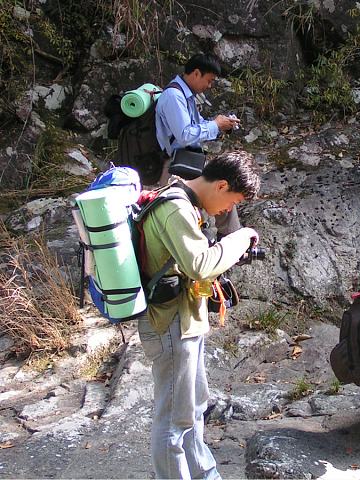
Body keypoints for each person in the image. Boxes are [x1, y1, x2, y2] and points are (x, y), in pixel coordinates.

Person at [137, 151, 261, 479]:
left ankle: (206, 475)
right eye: (232, 201)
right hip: (170, 326)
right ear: (221, 185)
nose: (228, 211)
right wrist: (240, 237)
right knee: (172, 421)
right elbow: (200, 265)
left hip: (185, 322)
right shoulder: (175, 207)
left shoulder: (186, 201)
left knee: (192, 410)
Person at [155, 53, 240, 184]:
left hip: (183, 159)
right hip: (172, 164)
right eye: (209, 80)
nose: (209, 86)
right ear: (196, 73)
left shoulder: (186, 95)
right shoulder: (174, 96)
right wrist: (215, 125)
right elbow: (185, 136)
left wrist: (221, 125)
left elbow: (197, 123)